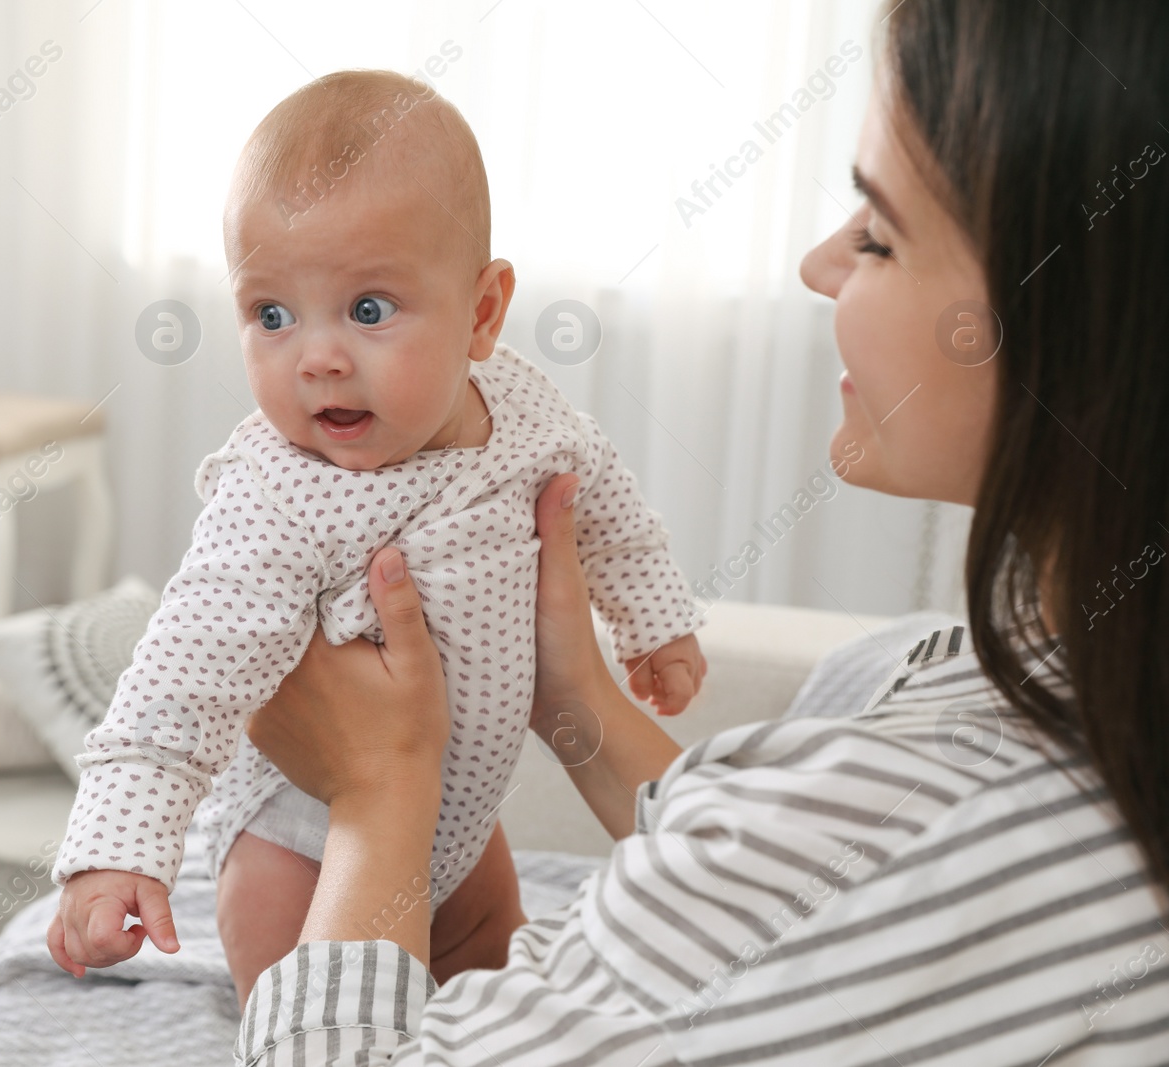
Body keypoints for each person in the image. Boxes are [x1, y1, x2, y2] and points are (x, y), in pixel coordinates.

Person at [230, 0, 1169, 1062]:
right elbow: (784, 908)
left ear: (1088, 316)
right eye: (268, 313)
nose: (820, 264)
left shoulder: (944, 810)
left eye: (877, 234)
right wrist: (575, 698)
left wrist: (377, 788)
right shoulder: (1067, 679)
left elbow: (831, 875)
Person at [45, 69, 708, 1007]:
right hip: (299, 840)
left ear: (483, 314)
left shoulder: (521, 409)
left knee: (489, 965)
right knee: (312, 1006)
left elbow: (605, 506)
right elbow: (174, 687)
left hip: (459, 821)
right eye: (270, 314)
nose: (317, 356)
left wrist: (652, 619)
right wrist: (113, 854)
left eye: (367, 310)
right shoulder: (277, 495)